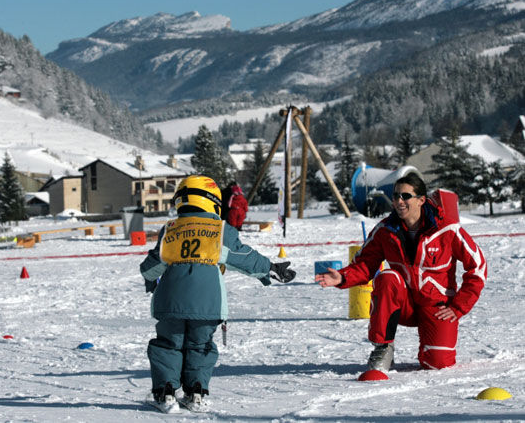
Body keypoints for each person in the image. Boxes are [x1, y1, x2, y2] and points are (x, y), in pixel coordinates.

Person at [140, 175, 296, 412]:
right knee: (200, 345)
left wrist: (151, 282)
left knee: (168, 345)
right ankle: (196, 394)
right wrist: (271, 268)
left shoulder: (170, 229)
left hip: (170, 302)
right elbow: (244, 257)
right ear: (212, 199)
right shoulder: (220, 229)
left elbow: (151, 267)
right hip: (207, 304)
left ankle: (166, 393)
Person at [315, 172, 487, 373]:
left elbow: (478, 267)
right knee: (388, 277)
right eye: (396, 196)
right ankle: (383, 347)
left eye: (405, 196)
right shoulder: (385, 230)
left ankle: (430, 347)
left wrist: (458, 307)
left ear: (421, 200)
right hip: (403, 303)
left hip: (436, 306)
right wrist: (343, 277)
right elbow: (364, 263)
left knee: (438, 364)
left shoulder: (447, 229)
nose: (399, 201)